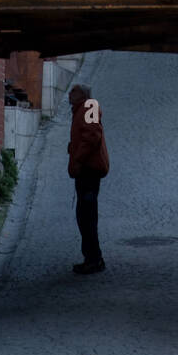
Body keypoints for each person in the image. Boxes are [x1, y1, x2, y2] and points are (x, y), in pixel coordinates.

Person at [67, 84, 108, 275]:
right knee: (84, 215)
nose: (69, 93)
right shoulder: (80, 110)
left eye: (73, 90)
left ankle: (94, 259)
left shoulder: (89, 106)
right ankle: (91, 257)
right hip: (85, 170)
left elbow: (92, 136)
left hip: (89, 170)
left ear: (83, 94)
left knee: (87, 215)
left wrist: (77, 158)